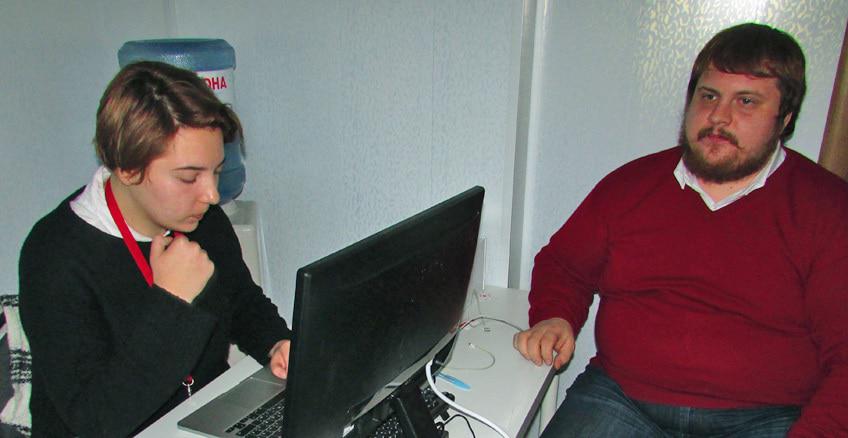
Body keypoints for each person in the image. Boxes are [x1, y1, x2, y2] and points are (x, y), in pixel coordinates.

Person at [514, 23, 848, 436]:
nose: (719, 116)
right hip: (623, 397)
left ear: (785, 120)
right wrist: (554, 315)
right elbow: (565, 265)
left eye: (746, 101)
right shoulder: (630, 187)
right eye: (708, 96)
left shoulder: (828, 209)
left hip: (765, 416)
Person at [18, 61, 292, 437]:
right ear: (127, 169)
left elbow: (242, 302)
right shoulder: (54, 255)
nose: (211, 194)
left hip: (201, 420)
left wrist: (277, 342)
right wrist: (171, 303)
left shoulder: (202, 219)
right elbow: (95, 421)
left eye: (215, 170)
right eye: (189, 177)